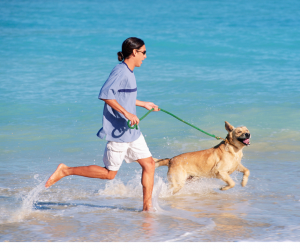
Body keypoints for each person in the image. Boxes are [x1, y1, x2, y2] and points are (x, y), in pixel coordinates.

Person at [45, 37, 159, 211]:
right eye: (143, 53)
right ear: (134, 52)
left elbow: (123, 97)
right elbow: (105, 94)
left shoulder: (129, 71)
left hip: (131, 131)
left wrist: (143, 104)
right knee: (109, 174)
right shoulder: (120, 71)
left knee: (149, 164)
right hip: (119, 132)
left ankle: (147, 209)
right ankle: (65, 170)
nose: (145, 56)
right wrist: (127, 113)